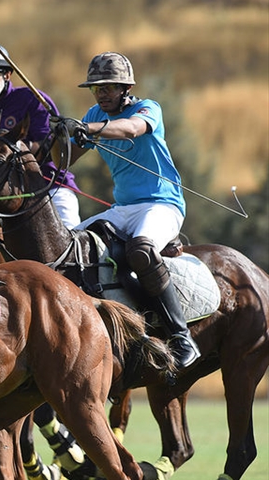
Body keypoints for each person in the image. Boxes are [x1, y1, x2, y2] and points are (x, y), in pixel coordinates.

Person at [51, 51, 201, 369]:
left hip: (163, 204)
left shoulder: (148, 109)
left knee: (141, 250)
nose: (101, 94)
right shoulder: (95, 113)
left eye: (107, 87)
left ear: (124, 88)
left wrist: (88, 128)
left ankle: (181, 336)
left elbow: (131, 129)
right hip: (124, 208)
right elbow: (64, 160)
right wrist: (59, 136)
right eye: (96, 88)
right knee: (68, 247)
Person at [0, 43, 81, 228]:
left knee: (71, 245)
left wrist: (6, 148)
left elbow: (48, 149)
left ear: (7, 74)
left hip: (50, 188)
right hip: (1, 200)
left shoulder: (31, 99)